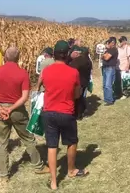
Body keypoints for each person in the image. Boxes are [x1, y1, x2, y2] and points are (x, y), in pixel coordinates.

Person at [0, 47, 49, 179]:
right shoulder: (22, 73)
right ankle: (38, 166)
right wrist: (11, 108)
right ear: (18, 58)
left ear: (5, 57)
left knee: (2, 142)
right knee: (28, 139)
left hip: (1, 110)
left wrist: (0, 107)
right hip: (17, 111)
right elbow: (24, 96)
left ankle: (3, 174)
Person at [37, 40, 88, 191]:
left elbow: (39, 85)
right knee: (71, 142)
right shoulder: (73, 72)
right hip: (66, 112)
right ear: (67, 55)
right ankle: (71, 170)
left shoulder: (46, 71)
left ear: (53, 54)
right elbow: (78, 93)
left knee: (52, 145)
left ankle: (53, 181)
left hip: (49, 112)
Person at [69, 46, 93, 120]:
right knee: (81, 97)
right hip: (85, 82)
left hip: (78, 82)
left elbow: (70, 69)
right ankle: (81, 112)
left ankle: (77, 114)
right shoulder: (88, 61)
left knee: (77, 99)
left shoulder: (78, 61)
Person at [101, 37, 118, 106]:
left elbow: (106, 57)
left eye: (109, 42)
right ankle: (106, 98)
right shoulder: (108, 50)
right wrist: (104, 55)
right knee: (105, 85)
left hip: (110, 68)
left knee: (108, 85)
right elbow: (102, 56)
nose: (107, 44)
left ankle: (110, 100)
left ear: (112, 43)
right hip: (105, 67)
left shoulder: (113, 50)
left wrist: (104, 56)